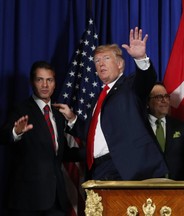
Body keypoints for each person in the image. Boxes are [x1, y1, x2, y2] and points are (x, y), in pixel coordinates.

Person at [56, 27, 168, 180]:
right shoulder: (96, 99)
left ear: (120, 64)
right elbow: (92, 134)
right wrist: (72, 118)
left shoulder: (129, 86)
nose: (101, 63)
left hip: (125, 167)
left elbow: (146, 79)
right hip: (97, 169)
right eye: (97, 60)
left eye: (106, 58)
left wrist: (141, 59)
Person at [0, 61, 83, 216]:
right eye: (40, 80)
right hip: (28, 200)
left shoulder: (59, 114)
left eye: (49, 80)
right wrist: (16, 132)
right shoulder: (21, 109)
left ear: (54, 83)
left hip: (56, 198)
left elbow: (60, 153)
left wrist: (92, 152)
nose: (45, 85)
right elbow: (3, 137)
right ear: (33, 82)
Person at [147, 82, 184, 180]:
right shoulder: (140, 127)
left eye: (166, 96)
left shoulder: (181, 128)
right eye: (158, 97)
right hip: (147, 188)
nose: (164, 100)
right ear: (147, 102)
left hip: (176, 189)